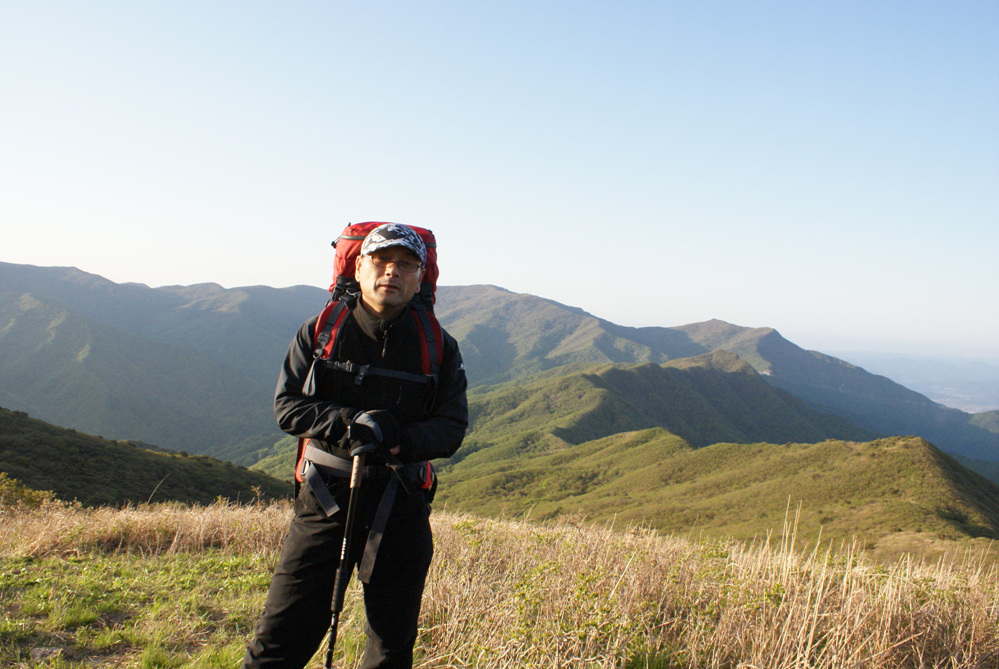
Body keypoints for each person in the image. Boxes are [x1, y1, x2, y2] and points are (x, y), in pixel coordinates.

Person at [243, 223, 468, 669]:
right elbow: (288, 407)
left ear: (420, 277)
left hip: (400, 502)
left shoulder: (438, 346)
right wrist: (350, 424)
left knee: (390, 646)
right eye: (381, 262)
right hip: (326, 498)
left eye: (405, 265)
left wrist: (398, 439)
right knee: (281, 637)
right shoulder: (321, 332)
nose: (392, 272)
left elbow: (451, 427)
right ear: (359, 268)